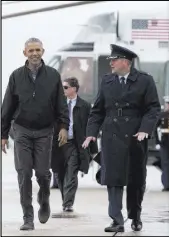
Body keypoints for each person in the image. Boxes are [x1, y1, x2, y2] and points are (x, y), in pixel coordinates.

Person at [82, 44, 161, 233]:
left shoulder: (144, 81)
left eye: (114, 60)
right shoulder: (107, 81)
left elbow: (153, 108)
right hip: (111, 136)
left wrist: (145, 130)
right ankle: (116, 219)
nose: (111, 63)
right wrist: (91, 133)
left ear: (125, 62)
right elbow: (97, 111)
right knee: (113, 179)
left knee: (135, 180)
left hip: (135, 137)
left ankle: (135, 216)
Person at [1, 37, 69, 231]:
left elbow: (60, 104)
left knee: (42, 173)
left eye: (37, 50)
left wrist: (63, 126)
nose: (34, 54)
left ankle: (44, 199)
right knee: (23, 173)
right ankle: (28, 217)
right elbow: (7, 106)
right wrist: (3, 134)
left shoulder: (53, 75)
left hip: (44, 131)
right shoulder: (16, 76)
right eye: (30, 51)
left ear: (43, 51)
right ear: (25, 53)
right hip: (21, 130)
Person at [51, 77, 98, 214]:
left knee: (71, 173)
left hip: (75, 144)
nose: (63, 90)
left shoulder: (85, 106)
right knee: (59, 174)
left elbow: (91, 127)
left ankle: (68, 203)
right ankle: (65, 199)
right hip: (59, 144)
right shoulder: (57, 105)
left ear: (74, 89)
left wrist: (92, 150)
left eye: (65, 87)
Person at [155, 96, 169, 191]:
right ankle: (166, 184)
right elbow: (155, 128)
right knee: (165, 163)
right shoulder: (162, 115)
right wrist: (157, 141)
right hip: (165, 142)